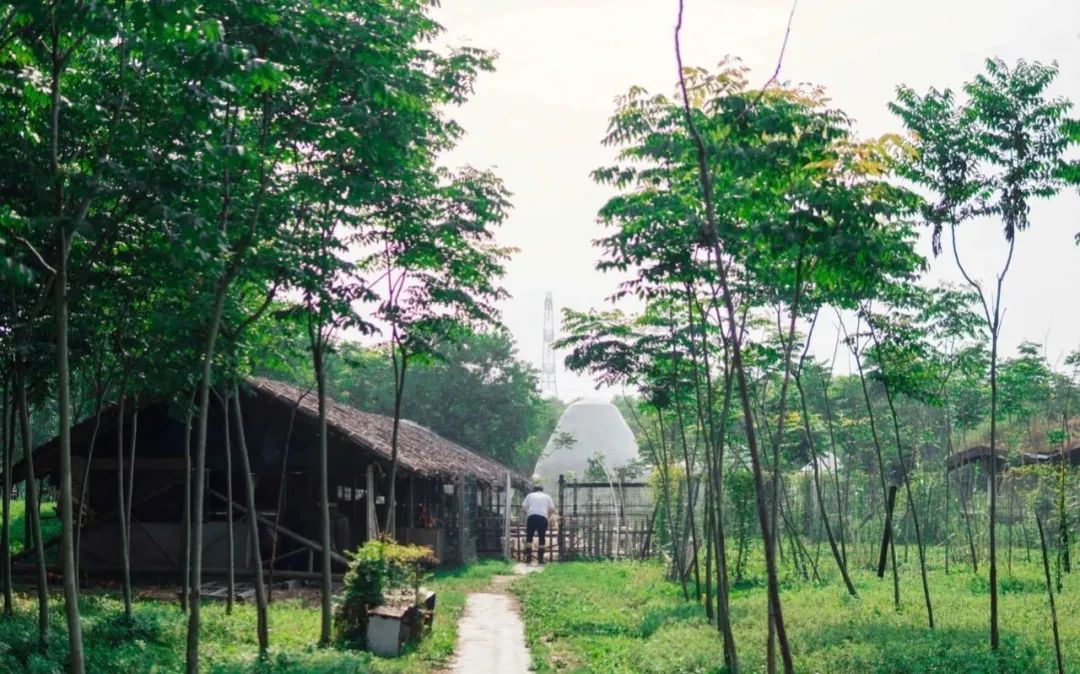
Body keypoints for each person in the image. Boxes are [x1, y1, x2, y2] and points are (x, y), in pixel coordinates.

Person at [522, 484, 555, 564]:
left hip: (531, 517)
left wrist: (529, 512)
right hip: (543, 518)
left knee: (529, 537)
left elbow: (523, 508)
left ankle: (528, 558)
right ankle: (540, 559)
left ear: (534, 490)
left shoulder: (530, 495)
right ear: (542, 490)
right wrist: (547, 514)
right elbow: (552, 509)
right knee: (542, 538)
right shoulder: (547, 496)